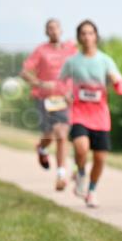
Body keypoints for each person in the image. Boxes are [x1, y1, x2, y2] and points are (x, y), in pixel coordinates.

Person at [59, 20, 122, 208]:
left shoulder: (105, 60)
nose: (87, 37)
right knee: (81, 148)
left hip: (100, 116)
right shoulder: (72, 62)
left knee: (100, 158)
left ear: (96, 36)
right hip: (79, 113)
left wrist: (118, 84)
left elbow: (119, 80)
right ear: (79, 37)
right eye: (83, 33)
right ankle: (81, 172)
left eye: (91, 33)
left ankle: (92, 190)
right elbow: (61, 81)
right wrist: (65, 93)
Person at [21, 18, 77, 189]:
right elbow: (24, 72)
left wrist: (74, 91)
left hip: (64, 99)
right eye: (50, 29)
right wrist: (39, 83)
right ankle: (41, 148)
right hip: (44, 98)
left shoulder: (70, 49)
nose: (53, 31)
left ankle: (61, 175)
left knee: (62, 134)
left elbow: (79, 69)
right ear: (46, 32)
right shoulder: (41, 50)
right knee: (49, 135)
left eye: (56, 28)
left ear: (61, 30)